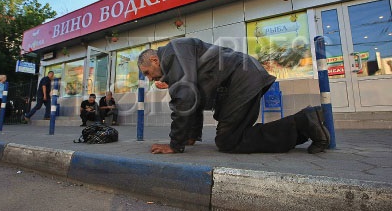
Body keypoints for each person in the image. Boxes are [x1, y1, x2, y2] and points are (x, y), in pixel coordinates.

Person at [137, 38, 330, 154]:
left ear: (155, 60)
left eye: (147, 72)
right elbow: (192, 97)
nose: (150, 78)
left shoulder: (172, 52)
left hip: (240, 78)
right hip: (241, 78)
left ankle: (305, 123)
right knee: (233, 137)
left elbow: (185, 98)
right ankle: (306, 123)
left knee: (229, 141)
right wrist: (190, 137)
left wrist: (174, 144)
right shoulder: (177, 56)